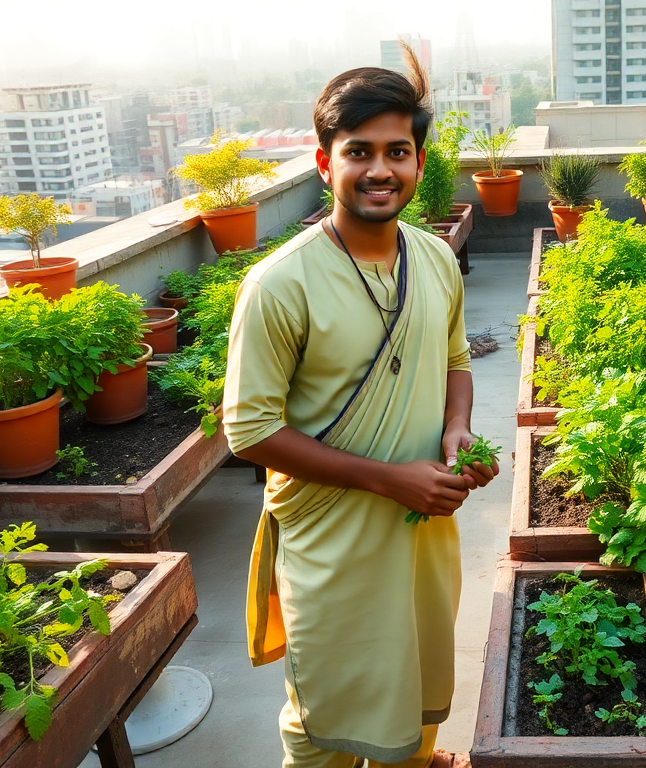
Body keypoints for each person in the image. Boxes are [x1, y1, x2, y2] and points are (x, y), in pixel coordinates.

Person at [222, 45, 497, 768]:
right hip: (333, 540)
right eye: (359, 152)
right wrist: (388, 478)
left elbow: (455, 361)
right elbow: (249, 431)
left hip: (424, 530)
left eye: (397, 151)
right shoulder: (279, 284)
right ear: (325, 163)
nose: (381, 169)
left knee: (419, 690)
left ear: (419, 162)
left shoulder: (434, 257)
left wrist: (458, 432)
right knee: (325, 719)